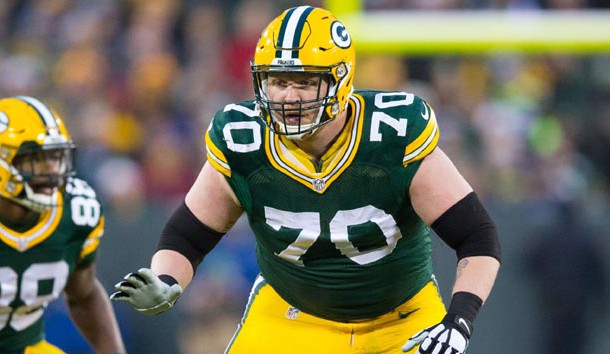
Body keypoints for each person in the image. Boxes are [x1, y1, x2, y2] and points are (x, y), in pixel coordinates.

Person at [111, 6, 501, 354]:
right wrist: (166, 280)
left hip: (401, 318)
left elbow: (477, 236)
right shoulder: (244, 138)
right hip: (290, 316)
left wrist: (459, 320)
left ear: (340, 81)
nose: (289, 97)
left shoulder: (392, 135)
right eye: (278, 81)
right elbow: (188, 236)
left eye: (304, 81)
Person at [0, 96, 126, 354]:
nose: (52, 170)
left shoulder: (75, 212)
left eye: (55, 157)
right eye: (36, 159)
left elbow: (84, 294)